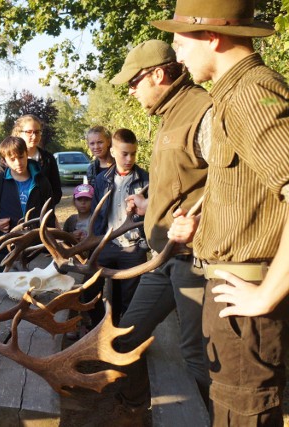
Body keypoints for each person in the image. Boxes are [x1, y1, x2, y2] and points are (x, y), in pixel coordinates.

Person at [155, 1, 289, 423]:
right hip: (233, 297)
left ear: (211, 37)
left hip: (248, 304)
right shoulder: (233, 94)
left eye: (179, 43)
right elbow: (256, 197)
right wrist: (205, 227)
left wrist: (266, 294)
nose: (176, 56)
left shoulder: (251, 94)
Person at [107, 39, 212, 422]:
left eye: (134, 82)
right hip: (164, 258)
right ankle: (134, 402)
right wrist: (154, 205)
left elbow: (238, 184)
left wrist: (202, 222)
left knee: (197, 357)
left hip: (195, 262)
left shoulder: (202, 111)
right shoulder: (170, 115)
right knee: (127, 335)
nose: (131, 90)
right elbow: (189, 182)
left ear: (157, 74)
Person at [88, 129, 149, 326]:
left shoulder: (147, 180)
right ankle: (102, 330)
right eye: (124, 153)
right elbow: (96, 214)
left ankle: (129, 336)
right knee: (98, 290)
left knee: (130, 297)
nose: (129, 158)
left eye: (133, 153)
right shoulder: (100, 180)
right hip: (106, 244)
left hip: (133, 247)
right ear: (112, 151)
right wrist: (97, 241)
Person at [0, 137, 53, 273]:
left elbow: (49, 216)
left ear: (27, 154)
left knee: (34, 288)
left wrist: (47, 245)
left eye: (21, 157)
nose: (18, 163)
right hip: (6, 249)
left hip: (35, 249)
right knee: (7, 290)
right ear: (4, 160)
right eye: (12, 159)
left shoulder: (42, 181)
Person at [11, 114, 62, 206]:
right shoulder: (8, 159)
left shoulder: (48, 159)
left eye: (37, 132)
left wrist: (44, 208)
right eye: (29, 132)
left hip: (42, 215)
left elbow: (56, 191)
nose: (34, 136)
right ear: (18, 133)